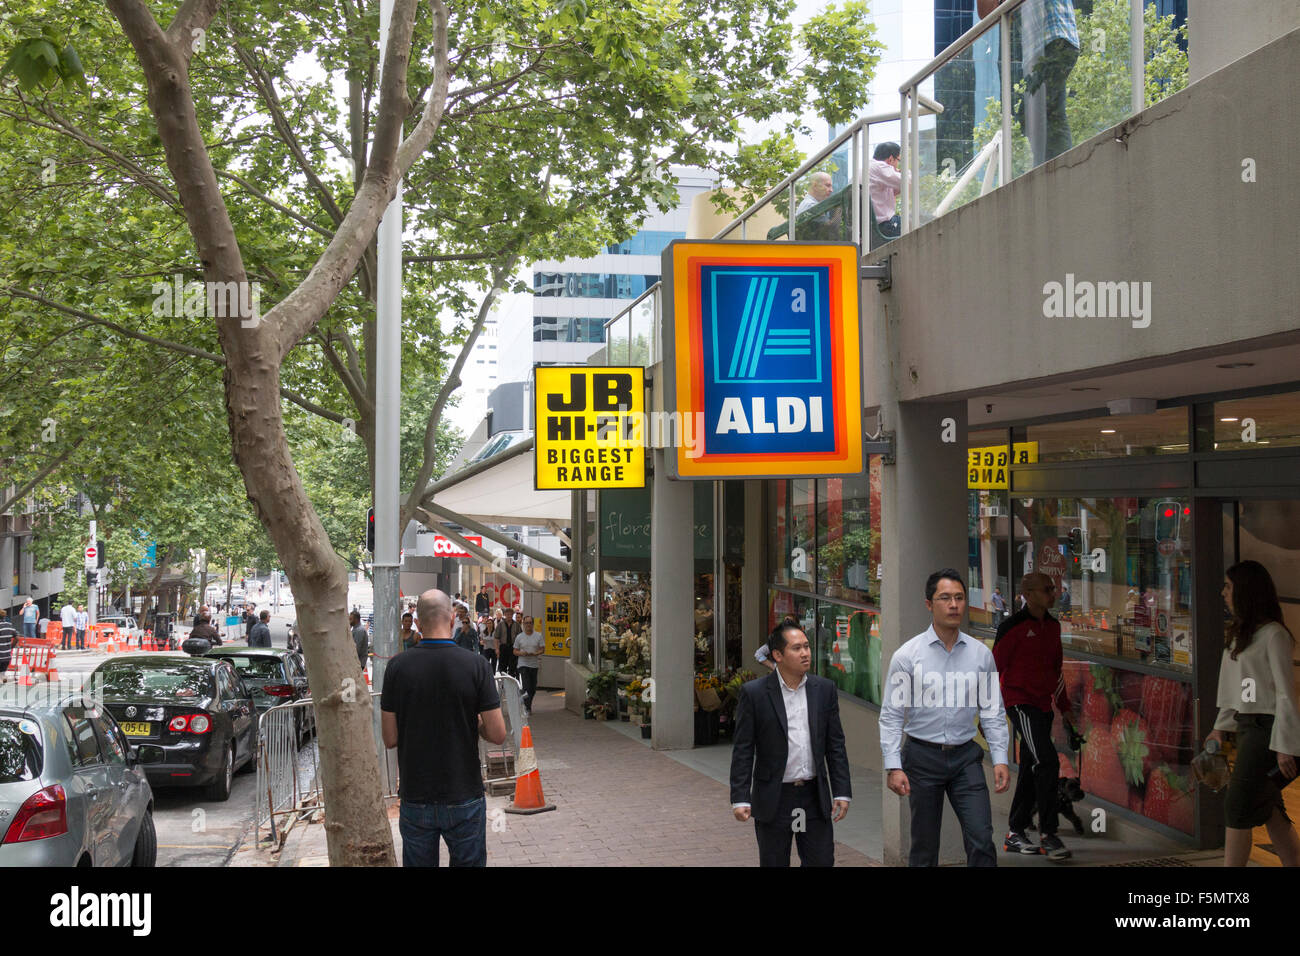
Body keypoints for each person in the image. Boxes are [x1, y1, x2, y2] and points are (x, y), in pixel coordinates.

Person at [880, 569, 1010, 867]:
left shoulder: (980, 655)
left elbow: (992, 711)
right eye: (945, 598)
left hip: (966, 758)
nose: (954, 605)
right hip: (921, 757)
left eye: (960, 598)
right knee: (924, 847)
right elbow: (891, 716)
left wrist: (1000, 758)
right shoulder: (907, 656)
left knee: (981, 838)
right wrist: (893, 765)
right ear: (929, 604)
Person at [381, 589, 507, 867]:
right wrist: (476, 725)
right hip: (464, 793)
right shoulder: (476, 666)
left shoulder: (397, 668)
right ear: (451, 620)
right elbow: (497, 734)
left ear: (417, 623)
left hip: (416, 794)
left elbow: (389, 738)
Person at [729, 621, 851, 866]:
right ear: (778, 655)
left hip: (814, 796)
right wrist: (740, 797)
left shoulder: (823, 689)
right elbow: (743, 749)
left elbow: (835, 744)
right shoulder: (755, 693)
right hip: (775, 797)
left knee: (821, 861)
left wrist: (842, 791)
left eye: (806, 646)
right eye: (797, 648)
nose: (805, 653)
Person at [1209, 560, 1300, 867]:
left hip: (1266, 730)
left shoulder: (1274, 636)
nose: (1223, 593)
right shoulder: (1240, 634)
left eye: (1228, 586)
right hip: (1247, 726)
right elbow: (1233, 688)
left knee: (1236, 807)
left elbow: (1285, 694)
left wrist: (1285, 746)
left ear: (1245, 591)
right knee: (1268, 806)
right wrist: (1219, 727)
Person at [993, 572, 1074, 861]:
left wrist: (1064, 709)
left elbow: (1056, 670)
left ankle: (1016, 831)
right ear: (1027, 593)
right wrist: (985, 712)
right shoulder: (1011, 628)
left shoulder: (1053, 627)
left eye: (1054, 589)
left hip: (1042, 705)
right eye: (1047, 589)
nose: (1053, 594)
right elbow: (992, 671)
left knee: (1031, 764)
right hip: (1018, 703)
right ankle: (1049, 833)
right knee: (1048, 761)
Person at [980, 0, 1079, 166]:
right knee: (1053, 115)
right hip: (1041, 50)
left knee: (1031, 114)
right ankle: (1061, 169)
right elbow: (987, 14)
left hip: (1053, 38)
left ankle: (1051, 170)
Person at [868, 142, 902, 248]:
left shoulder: (867, 168)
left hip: (869, 229)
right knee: (916, 219)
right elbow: (909, 181)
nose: (898, 164)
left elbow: (893, 193)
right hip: (883, 227)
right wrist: (905, 172)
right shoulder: (879, 166)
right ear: (891, 159)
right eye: (899, 160)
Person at [513, 615, 545, 713]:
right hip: (523, 664)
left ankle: (525, 702)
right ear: (523, 624)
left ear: (533, 624)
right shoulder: (519, 637)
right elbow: (515, 651)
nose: (528, 625)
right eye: (526, 623)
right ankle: (527, 708)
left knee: (533, 688)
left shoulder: (538, 636)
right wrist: (521, 653)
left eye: (530, 623)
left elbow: (542, 649)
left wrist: (535, 653)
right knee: (526, 686)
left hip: (534, 664)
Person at [497, 607, 519, 677]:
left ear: (513, 615)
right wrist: (497, 649)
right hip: (503, 647)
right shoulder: (500, 624)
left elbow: (519, 638)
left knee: (512, 668)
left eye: (511, 614)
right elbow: (496, 638)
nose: (509, 616)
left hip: (513, 648)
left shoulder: (517, 625)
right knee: (502, 668)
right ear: (505, 615)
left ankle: (511, 685)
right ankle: (504, 685)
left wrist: (518, 649)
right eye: (507, 614)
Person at [0, 610, 15, 683]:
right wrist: (12, 646)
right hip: (7, 656)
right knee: (2, 673)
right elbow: (17, 637)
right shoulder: (10, 625)